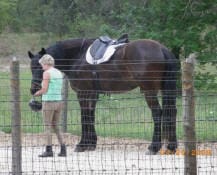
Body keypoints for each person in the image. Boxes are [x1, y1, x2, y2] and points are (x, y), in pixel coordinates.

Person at [34, 54, 66, 157]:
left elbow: (44, 90)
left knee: (47, 126)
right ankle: (63, 149)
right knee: (56, 126)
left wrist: (35, 94)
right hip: (59, 101)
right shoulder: (59, 72)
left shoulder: (46, 73)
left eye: (42, 64)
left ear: (46, 63)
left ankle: (49, 150)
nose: (41, 66)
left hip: (48, 102)